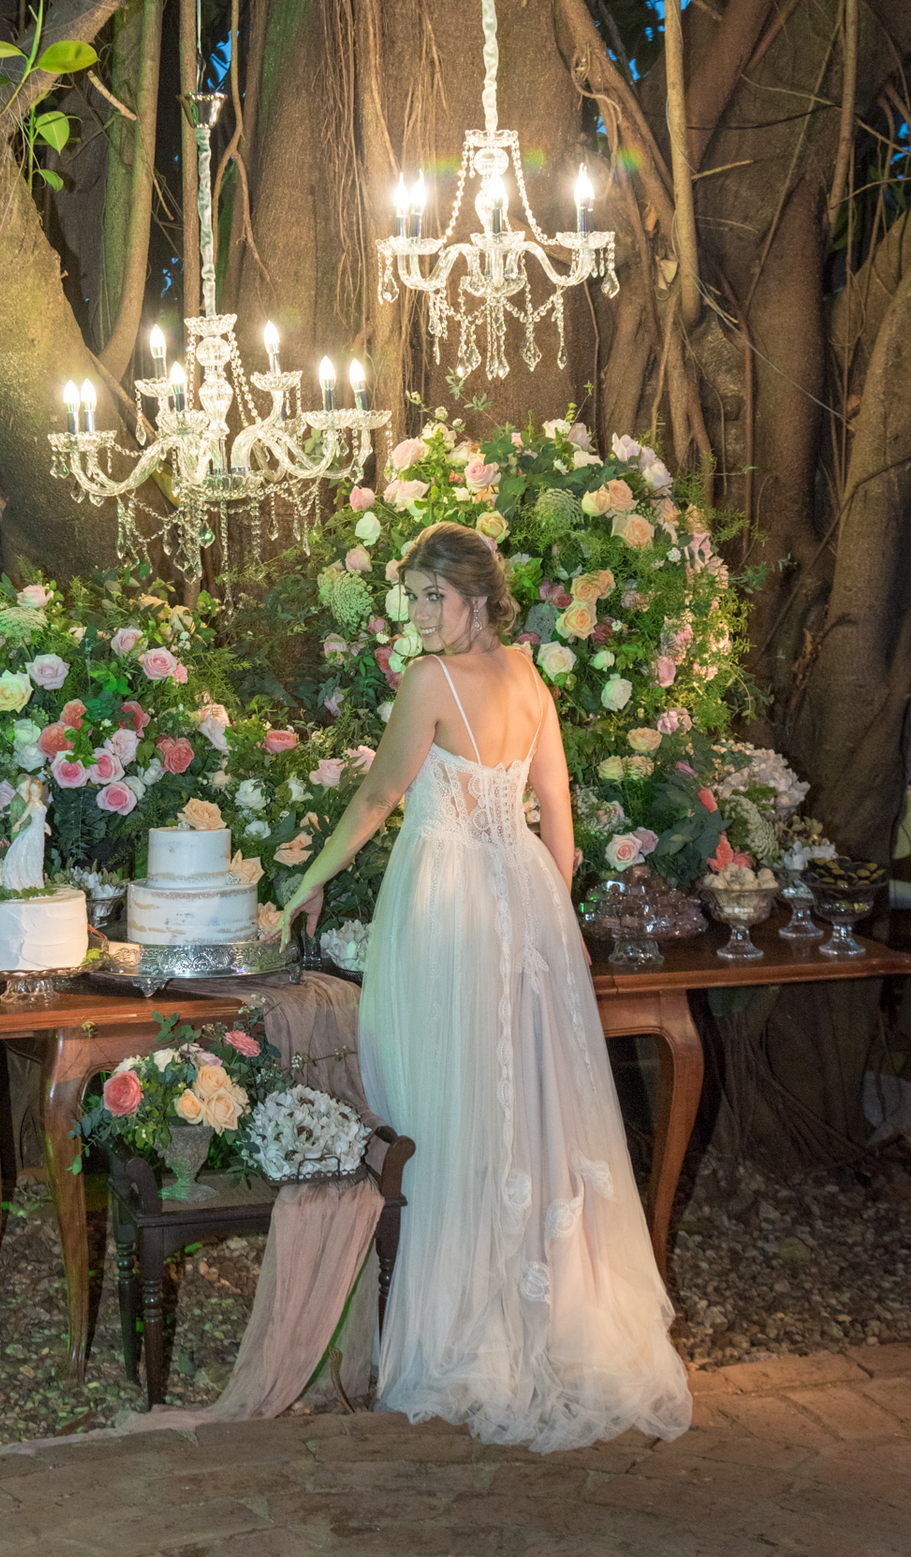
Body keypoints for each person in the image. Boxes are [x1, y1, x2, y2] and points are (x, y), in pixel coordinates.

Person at [280, 521, 692, 1451]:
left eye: (435, 596)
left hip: (449, 904)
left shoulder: (430, 681)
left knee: (447, 1092)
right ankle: (532, 1303)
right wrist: (553, 921)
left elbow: (378, 796)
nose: (420, 614)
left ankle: (459, 1320)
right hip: (525, 899)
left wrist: (310, 879)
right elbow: (561, 821)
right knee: (526, 1104)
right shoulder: (532, 680)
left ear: (476, 596)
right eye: (413, 596)